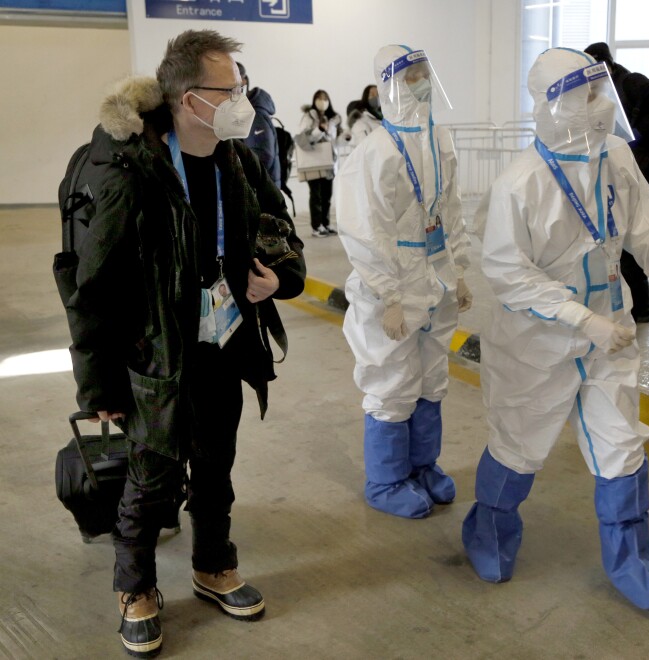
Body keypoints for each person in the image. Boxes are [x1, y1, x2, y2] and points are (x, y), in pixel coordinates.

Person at [64, 30, 306, 657]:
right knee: (150, 478)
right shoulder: (132, 172)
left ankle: (213, 565)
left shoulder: (240, 162)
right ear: (187, 99)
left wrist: (280, 278)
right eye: (228, 90)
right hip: (155, 357)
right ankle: (135, 587)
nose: (240, 101)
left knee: (217, 467)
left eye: (241, 88)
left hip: (224, 344)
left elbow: (283, 234)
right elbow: (92, 289)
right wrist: (100, 387)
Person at [461, 47, 649, 610]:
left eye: (603, 92)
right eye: (588, 93)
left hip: (611, 334)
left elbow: (646, 227)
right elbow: (508, 273)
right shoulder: (519, 184)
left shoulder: (615, 156)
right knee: (519, 446)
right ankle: (489, 535)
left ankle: (631, 562)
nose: (601, 105)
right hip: (537, 342)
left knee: (622, 447)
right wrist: (580, 319)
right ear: (555, 104)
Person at [336, 45, 472, 520]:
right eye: (411, 74)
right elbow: (364, 230)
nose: (421, 82)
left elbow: (451, 211)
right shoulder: (372, 152)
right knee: (393, 380)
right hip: (394, 282)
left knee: (432, 379)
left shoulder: (440, 140)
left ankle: (422, 467)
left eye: (424, 72)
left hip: (434, 279)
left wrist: (458, 270)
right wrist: (388, 294)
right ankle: (387, 479)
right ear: (389, 84)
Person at [584, 42, 649, 324]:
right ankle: (636, 309)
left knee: (629, 237)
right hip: (628, 170)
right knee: (624, 237)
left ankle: (639, 310)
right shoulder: (605, 89)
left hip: (646, 170)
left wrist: (638, 133)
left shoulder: (629, 82)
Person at [298, 90, 342, 237]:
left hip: (329, 162)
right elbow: (303, 138)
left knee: (327, 195)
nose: (322, 101)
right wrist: (319, 130)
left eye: (324, 98)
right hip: (314, 161)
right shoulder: (308, 117)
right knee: (316, 195)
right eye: (319, 98)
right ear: (314, 100)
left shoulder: (333, 119)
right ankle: (316, 226)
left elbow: (335, 140)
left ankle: (326, 223)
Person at [236, 61, 283, 190]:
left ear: (243, 82)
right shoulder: (246, 110)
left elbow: (263, 156)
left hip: (264, 191)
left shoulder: (255, 113)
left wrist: (240, 177)